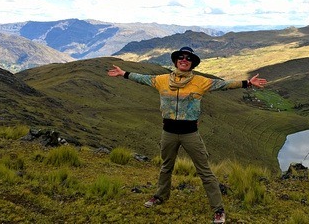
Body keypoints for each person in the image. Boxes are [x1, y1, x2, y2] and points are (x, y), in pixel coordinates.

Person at [107, 46, 267, 224]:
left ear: (192, 63)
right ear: (176, 61)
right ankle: (160, 196)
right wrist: (124, 73)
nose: (184, 60)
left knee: (205, 172)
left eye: (188, 58)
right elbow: (143, 78)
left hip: (190, 134)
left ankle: (218, 209)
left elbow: (224, 84)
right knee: (166, 167)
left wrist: (248, 83)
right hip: (168, 132)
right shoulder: (161, 80)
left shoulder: (201, 81)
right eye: (181, 57)